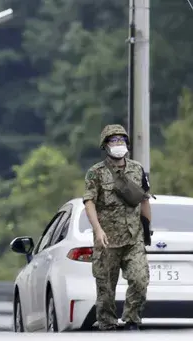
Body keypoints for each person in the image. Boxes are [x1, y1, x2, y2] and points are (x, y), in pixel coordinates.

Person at [83, 124, 151, 331]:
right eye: (113, 141)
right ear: (105, 146)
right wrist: (98, 230)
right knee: (105, 290)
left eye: (121, 140)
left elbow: (145, 200)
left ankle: (132, 320)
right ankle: (107, 325)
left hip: (133, 238)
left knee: (140, 280)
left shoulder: (137, 169)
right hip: (107, 240)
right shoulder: (95, 172)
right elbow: (89, 202)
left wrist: (147, 230)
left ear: (127, 144)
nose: (118, 144)